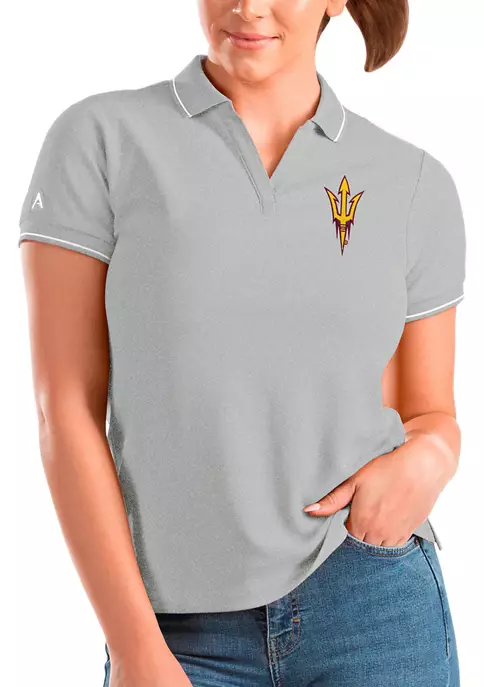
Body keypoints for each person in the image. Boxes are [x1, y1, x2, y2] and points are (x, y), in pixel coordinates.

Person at [18, 0, 466, 685]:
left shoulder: (413, 182)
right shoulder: (101, 141)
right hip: (175, 630)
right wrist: (136, 649)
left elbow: (429, 412)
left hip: (372, 600)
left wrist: (432, 458)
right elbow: (65, 409)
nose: (248, 7)